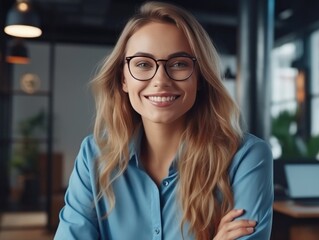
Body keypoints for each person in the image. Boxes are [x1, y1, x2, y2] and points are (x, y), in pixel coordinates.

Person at [54, 1, 273, 239]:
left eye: (179, 64)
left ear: (199, 77)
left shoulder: (246, 158)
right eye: (143, 64)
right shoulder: (94, 156)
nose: (161, 80)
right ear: (124, 79)